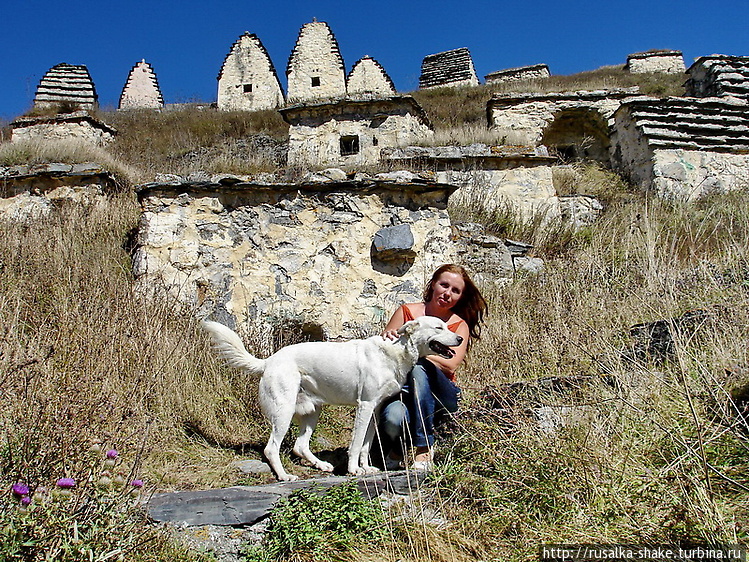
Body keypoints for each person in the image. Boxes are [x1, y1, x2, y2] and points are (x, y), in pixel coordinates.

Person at [379, 264, 488, 470]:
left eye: (455, 291)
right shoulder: (407, 312)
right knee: (393, 418)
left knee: (420, 366)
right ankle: (400, 447)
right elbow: (385, 351)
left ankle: (424, 446)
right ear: (433, 285)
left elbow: (451, 364)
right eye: (444, 285)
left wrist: (415, 353)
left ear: (460, 297)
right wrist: (388, 337)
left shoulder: (459, 325)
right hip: (403, 393)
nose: (448, 293)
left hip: (441, 394)